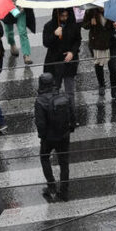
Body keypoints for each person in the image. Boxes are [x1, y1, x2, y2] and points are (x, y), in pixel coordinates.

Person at [34, 73, 75, 201]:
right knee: (64, 163)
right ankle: (64, 191)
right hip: (64, 136)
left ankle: (51, 186)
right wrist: (70, 129)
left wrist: (42, 136)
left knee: (44, 158)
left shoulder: (40, 101)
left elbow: (40, 123)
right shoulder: (64, 96)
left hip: (49, 138)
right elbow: (72, 114)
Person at [82, 6, 116, 103]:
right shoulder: (90, 12)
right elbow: (84, 25)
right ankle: (101, 85)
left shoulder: (113, 10)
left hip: (111, 42)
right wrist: (90, 23)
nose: (102, 8)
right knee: (99, 65)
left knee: (113, 68)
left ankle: (114, 91)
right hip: (97, 43)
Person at [42, 7, 81, 106]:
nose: (65, 18)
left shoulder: (73, 24)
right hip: (54, 62)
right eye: (62, 16)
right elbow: (46, 43)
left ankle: (71, 112)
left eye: (66, 16)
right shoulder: (49, 26)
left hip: (69, 62)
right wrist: (54, 34)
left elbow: (78, 40)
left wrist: (72, 52)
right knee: (55, 90)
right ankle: (56, 113)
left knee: (70, 92)